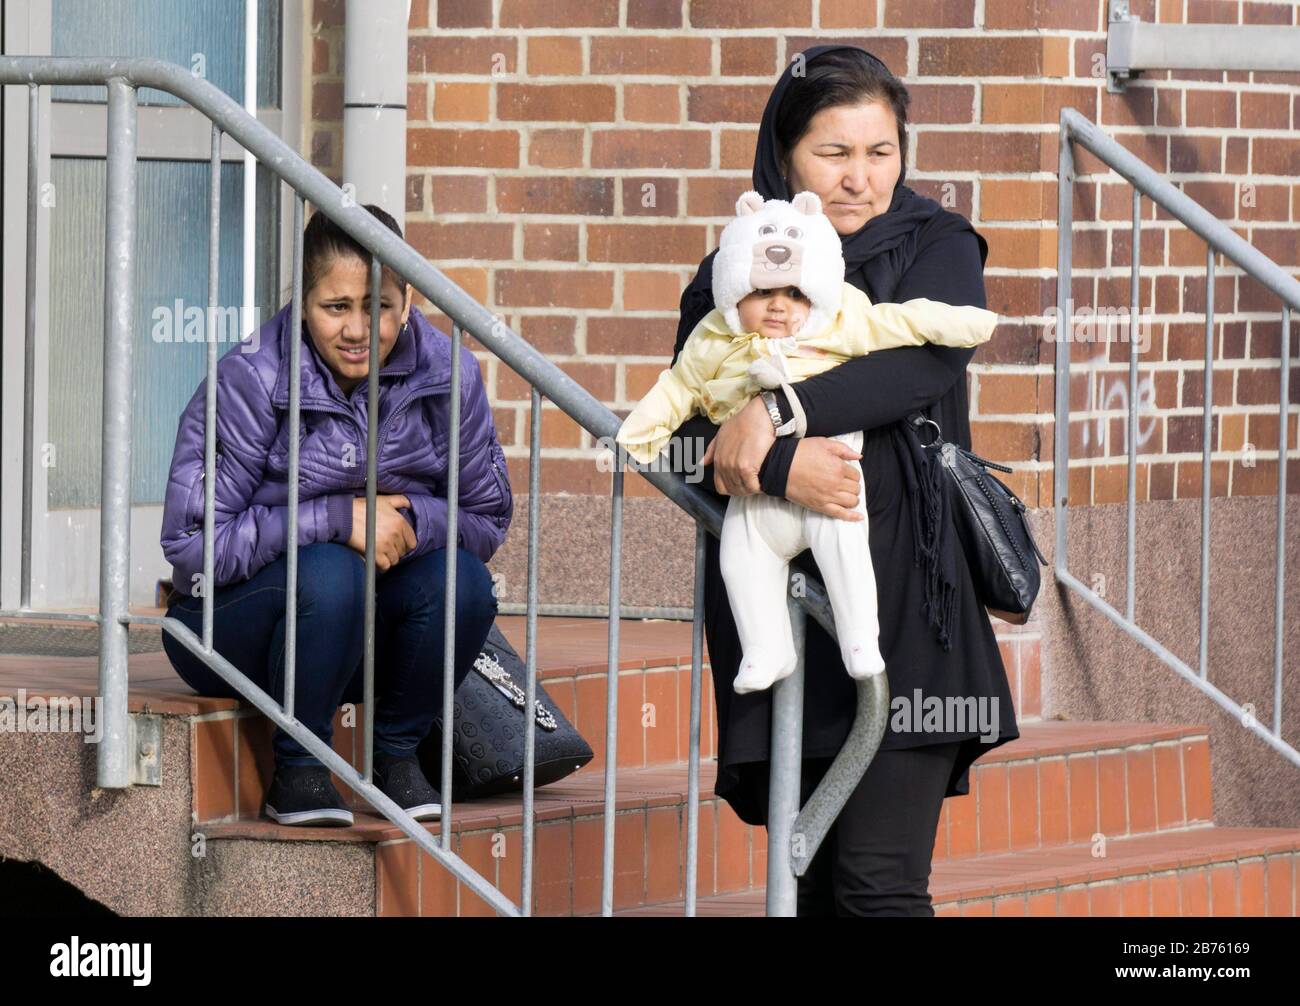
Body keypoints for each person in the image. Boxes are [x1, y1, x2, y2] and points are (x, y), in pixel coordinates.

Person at [671, 46, 1021, 916]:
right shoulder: (735, 276)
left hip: (911, 606)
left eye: (881, 152)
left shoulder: (937, 246)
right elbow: (684, 441)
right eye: (835, 154)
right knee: (817, 889)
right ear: (783, 156)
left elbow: (918, 368)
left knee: (876, 889)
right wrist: (784, 462)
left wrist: (777, 412)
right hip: (785, 613)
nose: (862, 179)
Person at [159, 204, 513, 828]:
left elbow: (486, 516)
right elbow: (192, 546)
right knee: (330, 569)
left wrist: (408, 516)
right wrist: (336, 519)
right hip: (226, 626)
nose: (357, 329)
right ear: (303, 305)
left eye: (376, 306)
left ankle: (398, 756)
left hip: (359, 636)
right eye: (336, 306)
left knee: (465, 582)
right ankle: (298, 767)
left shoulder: (447, 374)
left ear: (405, 303)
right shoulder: (253, 378)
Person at [618, 189, 997, 692]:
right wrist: (635, 438)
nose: (780, 307)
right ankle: (766, 647)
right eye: (762, 293)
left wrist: (967, 321)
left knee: (843, 541)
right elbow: (679, 391)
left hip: (835, 477)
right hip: (759, 499)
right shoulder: (713, 335)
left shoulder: (839, 317)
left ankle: (860, 636)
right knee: (740, 553)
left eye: (795, 294)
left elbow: (903, 325)